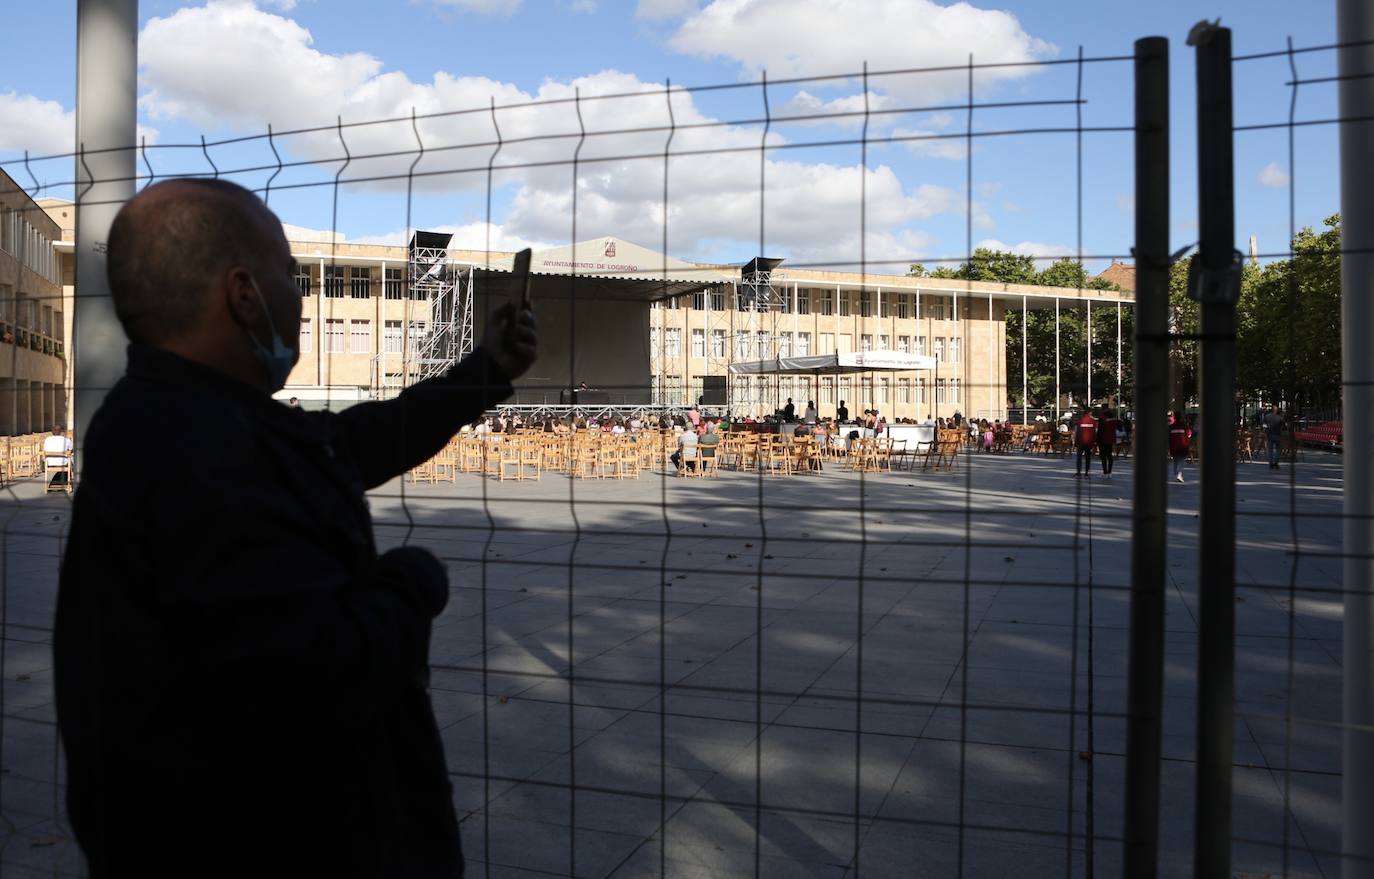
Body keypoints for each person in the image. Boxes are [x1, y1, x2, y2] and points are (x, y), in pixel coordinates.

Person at [52, 179, 538, 877]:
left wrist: (485, 371)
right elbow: (317, 669)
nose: (301, 295)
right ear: (244, 294)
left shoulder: (195, 418)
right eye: (290, 272)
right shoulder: (188, 449)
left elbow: (349, 442)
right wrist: (410, 584)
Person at [43, 425, 74, 489]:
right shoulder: (66, 440)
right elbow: (71, 450)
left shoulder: (47, 440)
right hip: (63, 463)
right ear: (61, 432)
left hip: (49, 463)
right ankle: (64, 481)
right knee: (71, 461)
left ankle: (57, 481)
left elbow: (45, 450)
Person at [1074, 407, 1097, 478]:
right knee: (1088, 458)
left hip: (1080, 442)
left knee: (1079, 458)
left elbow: (1077, 432)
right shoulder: (1093, 421)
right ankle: (1086, 473)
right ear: (1090, 413)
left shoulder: (1080, 421)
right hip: (1089, 442)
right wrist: (1094, 442)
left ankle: (1078, 472)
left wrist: (1076, 441)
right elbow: (1094, 432)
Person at [1096, 404, 1118, 478]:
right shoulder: (1113, 418)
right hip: (1111, 438)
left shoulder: (1102, 417)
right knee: (1109, 455)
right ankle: (1110, 472)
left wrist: (1097, 439)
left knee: (1103, 456)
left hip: (1103, 439)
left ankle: (1105, 472)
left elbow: (1100, 430)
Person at [1169, 410, 1191, 483]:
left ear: (1174, 417)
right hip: (1183, 446)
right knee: (1181, 461)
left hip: (1174, 447)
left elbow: (1168, 437)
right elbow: (1189, 434)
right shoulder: (1184, 426)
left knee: (1175, 460)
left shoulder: (1171, 427)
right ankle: (1179, 474)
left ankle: (1176, 474)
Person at [1263, 404, 1284, 470]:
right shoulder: (1280, 417)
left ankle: (1271, 463)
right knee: (1278, 449)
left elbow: (1264, 426)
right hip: (1278, 435)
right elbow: (1283, 426)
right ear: (1276, 410)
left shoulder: (1266, 417)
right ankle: (1276, 462)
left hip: (1269, 435)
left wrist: (1266, 431)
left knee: (1270, 450)